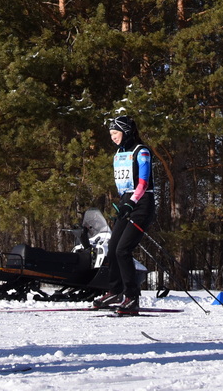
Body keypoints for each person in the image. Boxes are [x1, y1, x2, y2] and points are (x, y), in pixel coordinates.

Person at [92, 115, 154, 315]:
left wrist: (131, 203)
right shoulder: (119, 154)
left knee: (123, 250)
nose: (113, 137)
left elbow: (143, 184)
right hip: (126, 202)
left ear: (126, 132)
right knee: (112, 250)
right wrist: (123, 204)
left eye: (115, 133)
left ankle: (132, 297)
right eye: (111, 134)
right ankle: (115, 291)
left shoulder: (141, 151)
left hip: (141, 204)